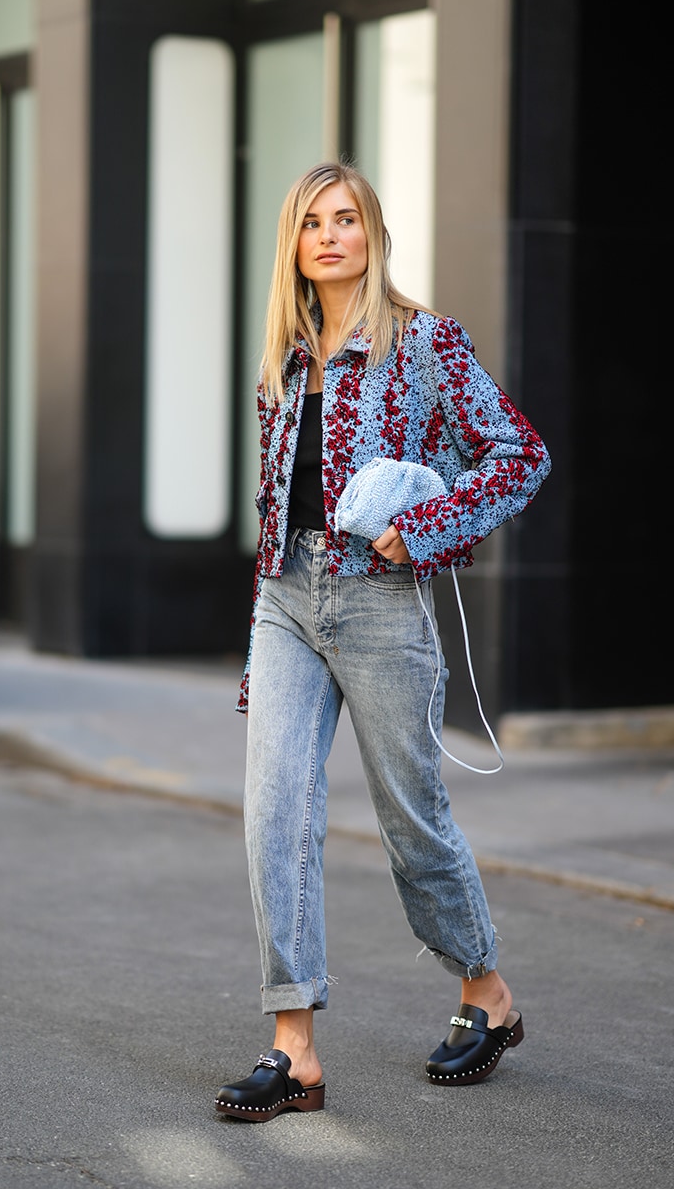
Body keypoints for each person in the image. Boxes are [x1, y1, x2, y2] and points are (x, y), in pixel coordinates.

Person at [215, 161, 551, 1122]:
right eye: (312, 222)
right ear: (295, 243)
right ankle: (294, 1049)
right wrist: (256, 639)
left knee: (412, 818)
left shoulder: (426, 343)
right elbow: (277, 509)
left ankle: (485, 991)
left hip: (381, 603)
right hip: (287, 599)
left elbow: (520, 452)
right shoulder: (283, 358)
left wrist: (434, 523)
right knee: (273, 812)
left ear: (372, 233)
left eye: (347, 218)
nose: (330, 236)